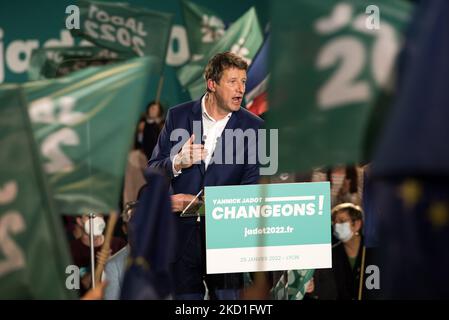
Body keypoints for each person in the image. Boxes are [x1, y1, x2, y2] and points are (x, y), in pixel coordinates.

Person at [149, 51, 263, 300]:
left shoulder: (254, 127)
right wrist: (177, 161)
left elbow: (255, 185)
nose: (240, 89)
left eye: (243, 81)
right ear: (212, 84)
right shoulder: (177, 116)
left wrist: (211, 205)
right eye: (232, 81)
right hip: (181, 238)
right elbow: (153, 170)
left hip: (227, 238)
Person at [69, 214, 126, 296]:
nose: (97, 219)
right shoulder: (71, 250)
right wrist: (100, 264)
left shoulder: (119, 244)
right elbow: (79, 286)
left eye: (100, 215)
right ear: (79, 221)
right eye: (90, 216)